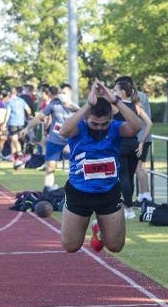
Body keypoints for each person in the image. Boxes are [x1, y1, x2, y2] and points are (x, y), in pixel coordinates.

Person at [59, 80, 141, 253]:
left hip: (108, 192)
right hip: (79, 193)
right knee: (70, 246)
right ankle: (94, 226)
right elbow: (63, 131)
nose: (100, 128)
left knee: (115, 246)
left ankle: (99, 231)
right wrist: (87, 105)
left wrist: (116, 101)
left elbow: (136, 126)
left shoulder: (115, 129)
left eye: (104, 124)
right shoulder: (79, 128)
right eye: (95, 124)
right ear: (86, 118)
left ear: (110, 119)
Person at [112, 80, 152, 219]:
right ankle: (128, 207)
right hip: (134, 144)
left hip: (122, 144)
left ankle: (128, 208)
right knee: (129, 177)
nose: (113, 93)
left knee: (123, 177)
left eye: (115, 90)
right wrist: (141, 141)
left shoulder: (116, 107)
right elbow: (149, 123)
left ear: (122, 92)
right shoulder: (136, 106)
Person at [25, 84, 79, 189]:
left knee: (72, 168)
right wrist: (27, 128)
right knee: (50, 167)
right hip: (54, 141)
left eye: (64, 93)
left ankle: (72, 190)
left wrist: (72, 142)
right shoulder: (53, 105)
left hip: (69, 142)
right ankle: (48, 189)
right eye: (61, 93)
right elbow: (39, 117)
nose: (62, 95)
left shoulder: (76, 109)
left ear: (70, 94)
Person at [5, 88, 32, 169]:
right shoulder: (21, 100)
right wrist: (28, 117)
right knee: (15, 141)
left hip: (13, 123)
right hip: (21, 123)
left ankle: (20, 156)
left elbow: (8, 113)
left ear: (10, 94)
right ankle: (15, 159)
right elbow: (28, 110)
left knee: (14, 140)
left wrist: (4, 123)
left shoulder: (9, 102)